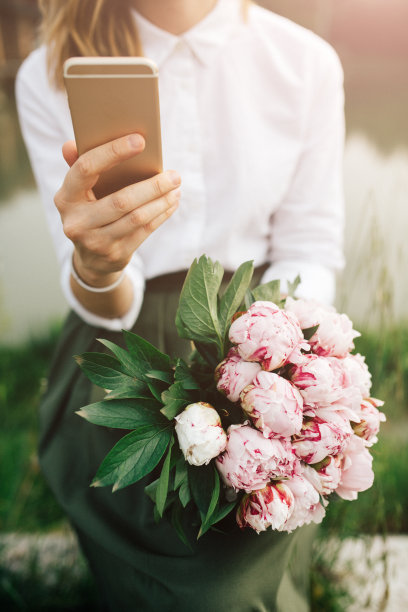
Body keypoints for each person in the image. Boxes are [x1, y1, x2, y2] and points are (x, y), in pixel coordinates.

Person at [16, 0, 345, 610]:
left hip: (266, 339)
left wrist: (289, 364)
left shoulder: (304, 63)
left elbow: (309, 247)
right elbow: (100, 293)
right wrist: (100, 263)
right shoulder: (50, 71)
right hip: (121, 345)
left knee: (240, 562)